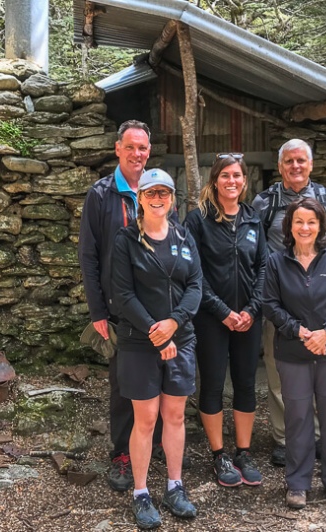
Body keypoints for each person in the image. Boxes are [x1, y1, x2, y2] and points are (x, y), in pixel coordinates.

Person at [79, 120, 175, 492]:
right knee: (124, 385)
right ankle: (122, 452)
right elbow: (88, 256)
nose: (137, 154)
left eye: (143, 148)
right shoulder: (101, 195)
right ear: (117, 149)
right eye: (131, 147)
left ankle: (160, 447)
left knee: (164, 380)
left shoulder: (160, 190)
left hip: (161, 311)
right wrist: (98, 311)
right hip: (120, 312)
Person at [111, 169, 202, 528]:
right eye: (151, 192)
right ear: (141, 199)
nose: (158, 198)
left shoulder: (184, 235)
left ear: (172, 199)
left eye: (164, 192)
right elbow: (123, 293)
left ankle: (175, 487)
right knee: (146, 419)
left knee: (175, 416)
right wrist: (155, 331)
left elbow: (195, 285)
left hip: (180, 338)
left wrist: (175, 323)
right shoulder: (126, 239)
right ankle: (141, 492)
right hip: (139, 341)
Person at [252, 138, 326, 466]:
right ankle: (285, 437)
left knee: (323, 370)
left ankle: (320, 437)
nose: (295, 166)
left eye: (301, 161)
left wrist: (325, 278)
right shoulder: (265, 201)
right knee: (280, 373)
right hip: (280, 300)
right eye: (289, 161)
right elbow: (254, 249)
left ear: (311, 165)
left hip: (322, 300)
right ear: (280, 167)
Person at [263, 197, 326, 509]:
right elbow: (270, 305)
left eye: (311, 222)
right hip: (293, 351)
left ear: (322, 226)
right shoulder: (277, 262)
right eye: (298, 221)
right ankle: (298, 484)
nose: (305, 227)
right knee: (298, 418)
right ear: (289, 226)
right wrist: (299, 330)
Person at [184, 153, 266, 487]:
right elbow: (194, 274)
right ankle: (219, 454)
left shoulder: (253, 218)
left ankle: (243, 451)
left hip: (249, 317)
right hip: (211, 318)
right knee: (214, 384)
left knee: (246, 383)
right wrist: (223, 312)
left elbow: (263, 267)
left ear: (244, 181)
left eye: (237, 176)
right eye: (225, 176)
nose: (231, 181)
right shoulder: (198, 219)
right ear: (214, 180)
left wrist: (252, 309)